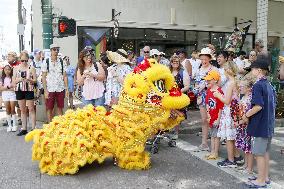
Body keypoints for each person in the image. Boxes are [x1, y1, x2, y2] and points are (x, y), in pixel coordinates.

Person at [244, 58, 276, 188]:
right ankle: (265, 177)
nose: (251, 72)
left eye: (252, 69)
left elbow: (258, 106)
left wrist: (246, 114)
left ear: (259, 70)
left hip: (259, 125)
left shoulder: (257, 85)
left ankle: (261, 181)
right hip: (268, 125)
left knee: (258, 153)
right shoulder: (269, 85)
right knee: (265, 152)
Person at [214, 61, 240, 168]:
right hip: (234, 110)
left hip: (229, 111)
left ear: (227, 70)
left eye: (224, 69)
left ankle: (231, 160)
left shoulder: (230, 83)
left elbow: (227, 101)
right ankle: (236, 156)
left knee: (229, 137)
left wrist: (218, 95)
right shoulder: (235, 81)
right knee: (232, 136)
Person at [193, 47, 219, 152]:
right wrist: (195, 87)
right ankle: (204, 143)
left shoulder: (214, 69)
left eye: (205, 59)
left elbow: (217, 83)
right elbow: (195, 81)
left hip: (211, 96)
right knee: (204, 120)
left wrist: (205, 85)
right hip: (201, 96)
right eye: (202, 59)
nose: (203, 61)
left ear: (209, 59)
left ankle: (214, 144)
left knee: (212, 119)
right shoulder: (199, 69)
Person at [42, 44, 68, 123]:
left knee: (60, 107)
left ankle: (61, 126)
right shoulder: (46, 61)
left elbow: (65, 76)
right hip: (50, 88)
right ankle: (50, 125)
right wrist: (45, 90)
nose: (56, 51)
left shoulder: (62, 61)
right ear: (51, 50)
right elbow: (43, 77)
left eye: (57, 49)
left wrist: (66, 89)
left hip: (60, 88)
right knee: (49, 108)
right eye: (54, 49)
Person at [13, 51, 37, 136]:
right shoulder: (16, 68)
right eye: (22, 60)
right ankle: (24, 128)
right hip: (19, 90)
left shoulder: (31, 68)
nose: (24, 62)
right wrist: (19, 79)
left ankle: (33, 128)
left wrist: (29, 80)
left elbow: (35, 80)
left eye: (26, 60)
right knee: (22, 110)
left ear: (28, 60)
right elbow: (13, 82)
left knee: (31, 109)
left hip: (29, 89)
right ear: (19, 59)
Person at [235, 74, 255, 175]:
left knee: (249, 148)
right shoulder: (244, 97)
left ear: (248, 88)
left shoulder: (250, 99)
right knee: (245, 147)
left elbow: (247, 116)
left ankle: (249, 168)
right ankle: (246, 165)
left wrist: (239, 122)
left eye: (242, 87)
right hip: (242, 125)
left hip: (247, 126)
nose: (240, 88)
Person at [204, 70, 224, 160]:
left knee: (216, 136)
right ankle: (212, 151)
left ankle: (215, 152)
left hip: (216, 117)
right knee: (212, 135)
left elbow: (220, 107)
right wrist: (208, 115)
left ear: (215, 80)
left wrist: (218, 119)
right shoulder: (209, 90)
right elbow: (207, 104)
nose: (207, 81)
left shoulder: (219, 91)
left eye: (209, 79)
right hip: (211, 117)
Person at [169, 55, 190, 139]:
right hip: (168, 96)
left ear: (179, 63)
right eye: (173, 62)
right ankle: (169, 130)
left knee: (177, 114)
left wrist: (177, 92)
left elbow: (187, 86)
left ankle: (176, 132)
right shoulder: (168, 72)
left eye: (177, 62)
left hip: (179, 96)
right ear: (171, 63)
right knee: (169, 113)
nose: (175, 63)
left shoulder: (183, 72)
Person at [0, 64, 17, 132]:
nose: (7, 71)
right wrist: (8, 87)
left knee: (13, 109)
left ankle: (14, 125)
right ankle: (9, 125)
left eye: (9, 69)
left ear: (11, 70)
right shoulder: (2, 78)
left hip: (13, 95)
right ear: (3, 70)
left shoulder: (13, 77)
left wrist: (5, 88)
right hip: (5, 95)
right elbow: (0, 88)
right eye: (6, 69)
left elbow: (14, 88)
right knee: (7, 110)